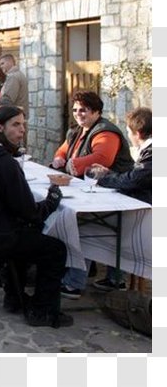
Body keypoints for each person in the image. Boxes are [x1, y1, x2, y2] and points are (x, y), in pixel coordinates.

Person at [0, 105, 71, 328]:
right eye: (16, 125)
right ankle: (42, 310)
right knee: (55, 249)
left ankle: (14, 297)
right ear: (0, 127)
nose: (22, 130)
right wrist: (52, 197)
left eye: (23, 125)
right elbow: (30, 212)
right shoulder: (4, 163)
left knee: (28, 233)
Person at [53, 91, 135, 299]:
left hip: (115, 193)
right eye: (75, 110)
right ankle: (111, 278)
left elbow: (102, 158)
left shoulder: (106, 132)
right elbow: (62, 151)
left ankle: (75, 282)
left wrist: (75, 164)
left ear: (96, 111)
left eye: (84, 110)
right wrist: (60, 159)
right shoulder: (77, 131)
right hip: (96, 190)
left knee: (86, 227)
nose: (78, 114)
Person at [82, 106, 152, 292]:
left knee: (92, 224)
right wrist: (111, 175)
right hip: (141, 206)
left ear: (137, 133)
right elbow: (136, 177)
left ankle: (76, 283)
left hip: (147, 214)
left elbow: (135, 180)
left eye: (129, 132)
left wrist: (104, 178)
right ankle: (113, 278)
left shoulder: (153, 151)